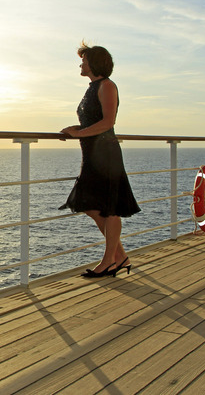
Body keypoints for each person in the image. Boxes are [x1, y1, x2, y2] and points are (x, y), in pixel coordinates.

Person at [60, 42, 140, 278]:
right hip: (92, 156)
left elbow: (108, 122)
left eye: (83, 61)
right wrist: (76, 128)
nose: (80, 64)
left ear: (94, 63)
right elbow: (92, 121)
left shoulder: (107, 86)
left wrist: (78, 134)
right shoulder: (92, 87)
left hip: (106, 156)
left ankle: (109, 261)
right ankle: (120, 256)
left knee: (110, 209)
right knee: (91, 205)